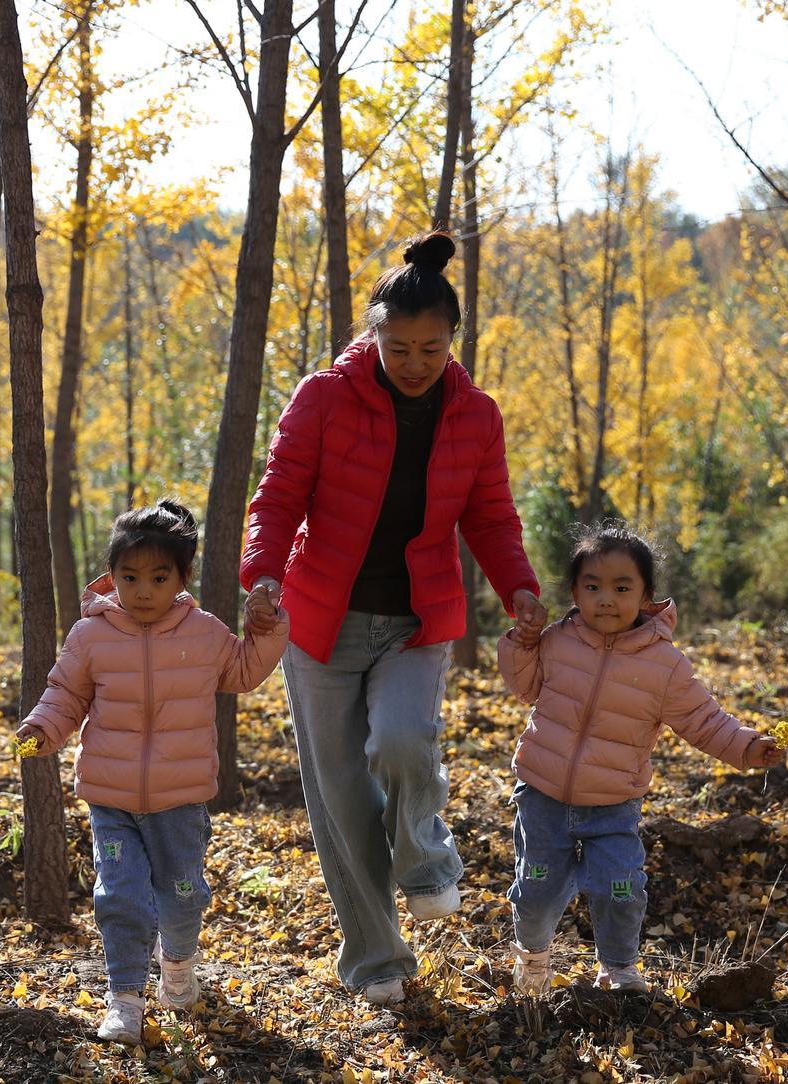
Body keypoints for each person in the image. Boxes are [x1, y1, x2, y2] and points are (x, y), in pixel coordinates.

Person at [241, 231, 545, 1006]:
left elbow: (491, 516)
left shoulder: (477, 415)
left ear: (453, 341)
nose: (415, 363)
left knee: (406, 742)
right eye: (400, 346)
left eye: (431, 348)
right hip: (320, 623)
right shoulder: (321, 398)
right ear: (372, 335)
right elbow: (276, 498)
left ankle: (426, 860)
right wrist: (262, 574)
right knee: (341, 802)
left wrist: (519, 588)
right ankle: (377, 962)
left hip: (417, 619)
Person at [16, 499, 288, 1043]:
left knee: (183, 894)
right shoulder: (90, 634)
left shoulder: (204, 632)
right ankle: (124, 1000)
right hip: (111, 798)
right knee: (120, 895)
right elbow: (65, 693)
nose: (142, 590)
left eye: (158, 578)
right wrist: (43, 728)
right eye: (129, 576)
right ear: (111, 575)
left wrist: (266, 628)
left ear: (181, 578)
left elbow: (242, 670)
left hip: (180, 801)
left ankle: (178, 965)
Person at [497, 524, 786, 995]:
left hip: (613, 804)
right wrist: (522, 642)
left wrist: (748, 747)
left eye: (621, 588)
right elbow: (524, 685)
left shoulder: (665, 665)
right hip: (543, 794)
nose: (605, 599)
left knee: (619, 888)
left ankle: (618, 968)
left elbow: (703, 719)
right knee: (537, 891)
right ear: (574, 591)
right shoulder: (557, 640)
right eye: (592, 587)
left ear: (647, 596)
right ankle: (532, 958)